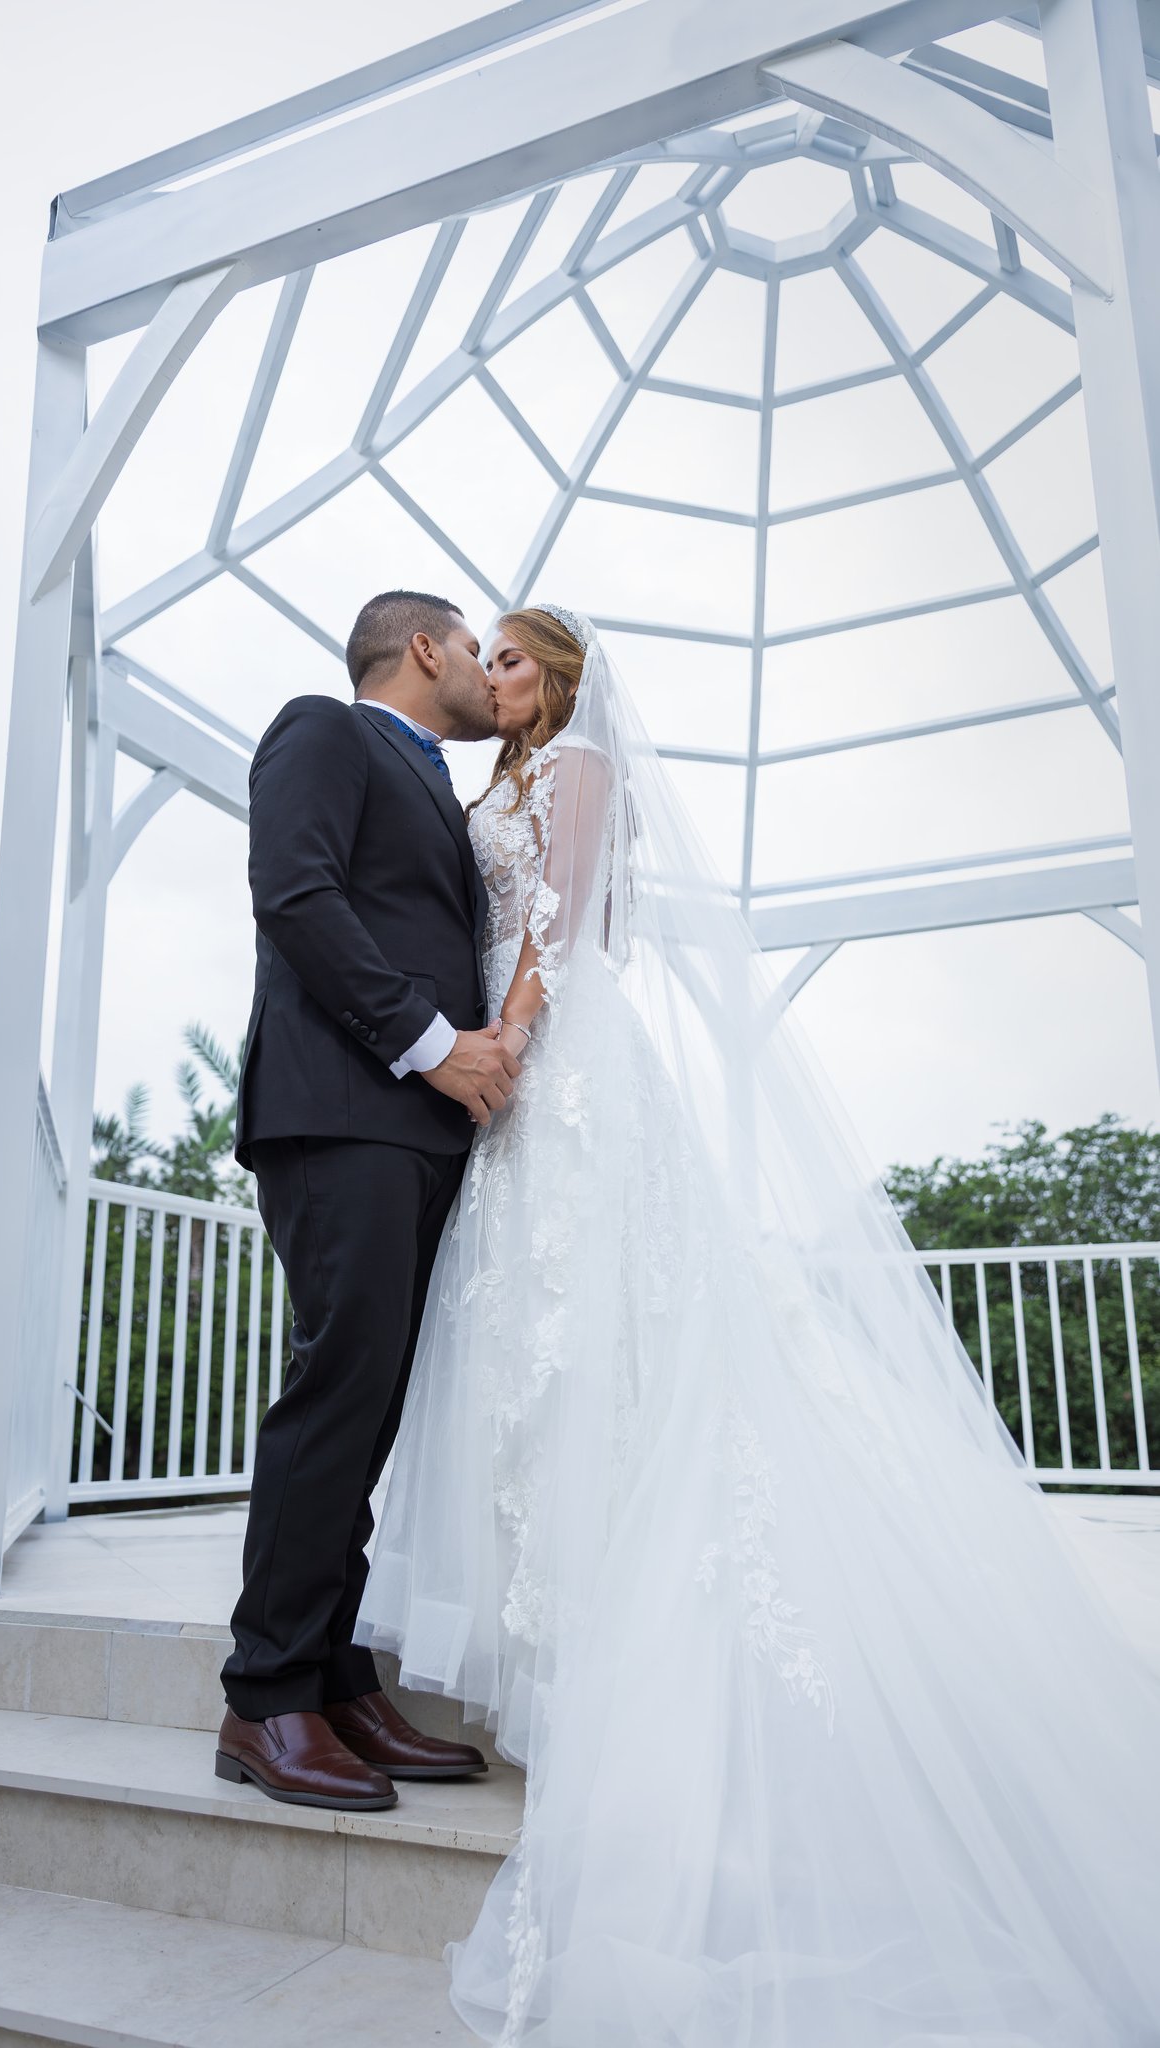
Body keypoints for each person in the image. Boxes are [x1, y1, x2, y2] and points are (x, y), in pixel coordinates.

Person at [356, 603, 1160, 2043]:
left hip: (561, 1064)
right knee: (535, 1343)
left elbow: (561, 923)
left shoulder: (579, 768)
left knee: (614, 1331)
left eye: (517, 658)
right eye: (489, 656)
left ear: (564, 678)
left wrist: (510, 1046)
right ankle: (557, 1630)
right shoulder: (496, 784)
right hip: (508, 1079)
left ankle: (621, 1642)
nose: (496, 674)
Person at [216, 589, 523, 1812]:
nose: (488, 673)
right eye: (476, 649)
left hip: (420, 1130)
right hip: (343, 1107)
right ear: (424, 647)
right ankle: (264, 1694)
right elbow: (296, 897)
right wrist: (433, 1043)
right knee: (338, 1388)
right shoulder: (322, 729)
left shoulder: (441, 788)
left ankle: (336, 1677)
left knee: (376, 1407)